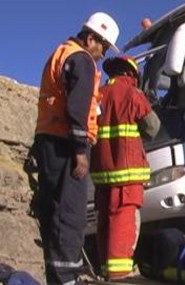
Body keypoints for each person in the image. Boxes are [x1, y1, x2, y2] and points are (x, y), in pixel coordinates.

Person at [33, 12, 119, 284]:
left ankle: (57, 275)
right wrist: (80, 151)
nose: (103, 54)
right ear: (90, 37)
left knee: (54, 212)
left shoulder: (60, 53)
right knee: (70, 215)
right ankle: (67, 277)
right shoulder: (81, 60)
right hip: (67, 146)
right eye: (102, 46)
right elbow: (78, 108)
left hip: (49, 141)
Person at [90, 56, 160, 280]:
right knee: (124, 228)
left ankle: (105, 273)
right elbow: (153, 128)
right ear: (131, 75)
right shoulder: (133, 94)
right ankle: (119, 277)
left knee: (105, 226)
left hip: (101, 178)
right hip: (127, 178)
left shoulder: (97, 95)